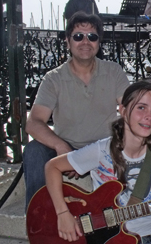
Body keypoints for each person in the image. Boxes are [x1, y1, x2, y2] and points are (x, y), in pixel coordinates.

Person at [44, 81, 151, 243]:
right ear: (123, 110)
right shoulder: (102, 150)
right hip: (111, 239)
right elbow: (52, 166)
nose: (149, 116)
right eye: (141, 107)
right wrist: (62, 214)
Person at [23, 12, 130, 209]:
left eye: (92, 36)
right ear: (68, 41)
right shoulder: (53, 78)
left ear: (99, 43)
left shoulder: (113, 71)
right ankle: (40, 215)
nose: (85, 42)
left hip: (104, 148)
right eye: (78, 36)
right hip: (67, 146)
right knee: (34, 151)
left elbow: (130, 110)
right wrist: (61, 146)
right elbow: (33, 122)